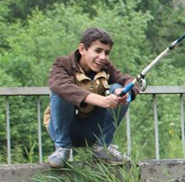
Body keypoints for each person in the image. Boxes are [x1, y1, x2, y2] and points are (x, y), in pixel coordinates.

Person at [45, 27, 136, 168]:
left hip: (91, 129)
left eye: (107, 53)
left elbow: (129, 79)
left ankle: (102, 148)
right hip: (66, 128)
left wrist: (125, 92)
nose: (102, 57)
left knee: (119, 87)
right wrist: (102, 101)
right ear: (82, 49)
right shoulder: (62, 64)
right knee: (61, 92)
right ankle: (62, 149)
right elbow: (60, 86)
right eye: (97, 51)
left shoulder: (106, 67)